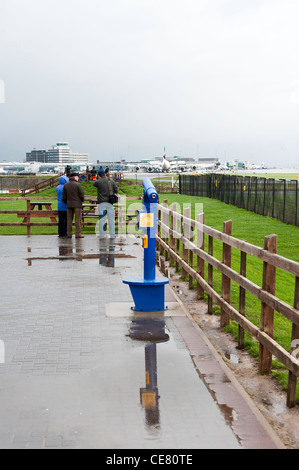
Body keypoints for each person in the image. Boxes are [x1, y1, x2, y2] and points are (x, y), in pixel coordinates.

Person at [93, 168, 118, 237]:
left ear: (99, 175)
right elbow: (116, 189)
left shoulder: (98, 182)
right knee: (111, 219)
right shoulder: (111, 180)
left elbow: (94, 184)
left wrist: (97, 178)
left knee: (102, 219)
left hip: (102, 203)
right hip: (110, 202)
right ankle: (112, 234)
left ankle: (102, 234)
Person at [62, 172, 85, 238]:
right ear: (75, 177)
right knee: (77, 219)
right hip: (77, 205)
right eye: (77, 177)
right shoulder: (78, 185)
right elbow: (81, 194)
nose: (78, 178)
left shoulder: (66, 185)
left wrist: (67, 201)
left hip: (69, 204)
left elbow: (64, 196)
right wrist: (81, 200)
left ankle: (69, 233)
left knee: (69, 220)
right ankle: (78, 234)